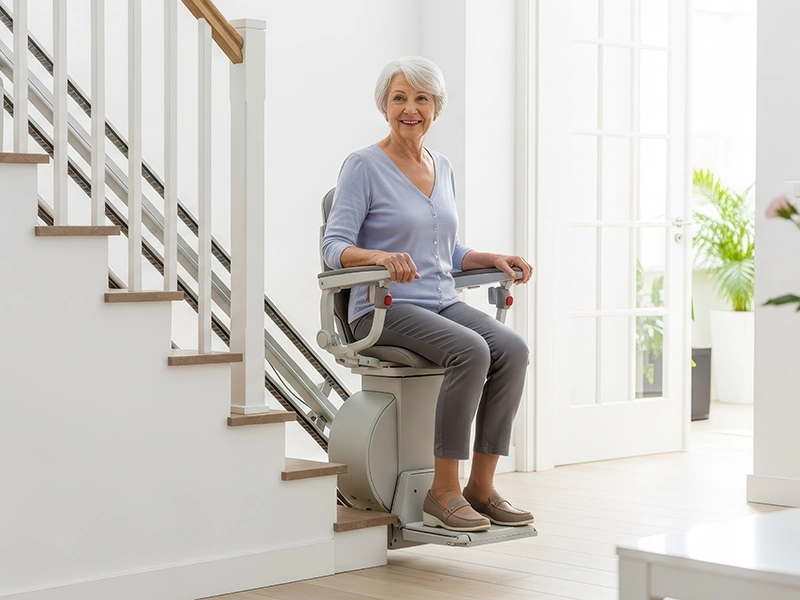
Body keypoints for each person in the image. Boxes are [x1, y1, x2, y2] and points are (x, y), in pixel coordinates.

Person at [321, 56, 533, 533]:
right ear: (384, 106)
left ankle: (481, 487)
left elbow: (446, 249)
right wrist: (378, 258)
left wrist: (489, 258)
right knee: (471, 349)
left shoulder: (443, 166)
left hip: (439, 301)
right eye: (399, 98)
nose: (410, 109)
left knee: (512, 350)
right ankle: (444, 491)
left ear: (437, 107)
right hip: (383, 309)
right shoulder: (363, 165)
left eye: (421, 99)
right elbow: (334, 247)